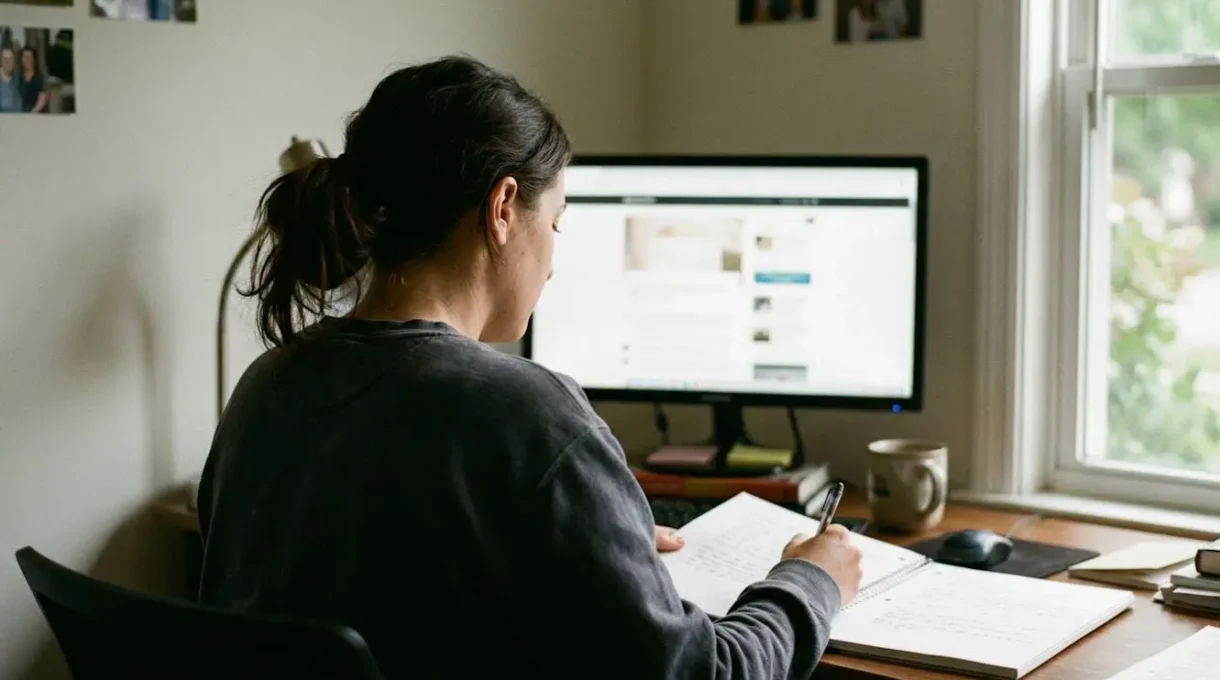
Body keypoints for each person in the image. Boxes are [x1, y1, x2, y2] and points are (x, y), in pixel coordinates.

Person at [196, 54, 862, 680]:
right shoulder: (525, 414)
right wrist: (811, 581)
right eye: (558, 221)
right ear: (503, 208)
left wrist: (600, 538)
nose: (553, 259)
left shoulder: (267, 384)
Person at [18, 48, 47, 114]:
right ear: (21, 59)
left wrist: (32, 114)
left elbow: (42, 99)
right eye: (25, 57)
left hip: (35, 114)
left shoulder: (39, 77)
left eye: (29, 57)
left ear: (34, 59)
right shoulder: (18, 76)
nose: (27, 60)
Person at [0, 48, 21, 114]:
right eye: (5, 59)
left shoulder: (18, 77)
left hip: (17, 118)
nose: (8, 62)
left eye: (10, 59)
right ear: (1, 60)